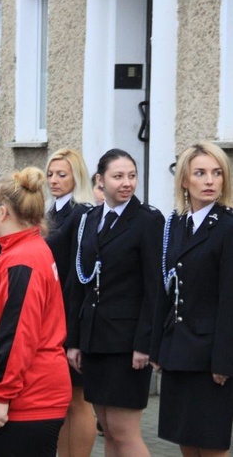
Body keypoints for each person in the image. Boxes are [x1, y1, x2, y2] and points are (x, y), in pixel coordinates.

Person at [66, 149, 163, 457]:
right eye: (118, 176)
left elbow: (154, 288)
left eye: (131, 176)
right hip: (96, 340)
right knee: (107, 430)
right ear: (100, 180)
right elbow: (79, 283)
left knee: (125, 432)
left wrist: (145, 343)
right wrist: (76, 340)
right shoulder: (91, 218)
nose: (126, 183)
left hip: (127, 343)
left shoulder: (148, 220)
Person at [0, 167, 71, 456]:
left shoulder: (22, 259)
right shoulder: (22, 251)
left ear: (2, 212)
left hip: (27, 399)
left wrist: (1, 396)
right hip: (27, 394)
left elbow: (18, 334)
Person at [150, 143, 233, 456]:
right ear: (185, 180)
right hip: (178, 350)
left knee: (211, 445)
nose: (210, 180)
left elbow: (229, 299)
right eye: (200, 173)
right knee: (185, 441)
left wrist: (224, 361)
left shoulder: (227, 227)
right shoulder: (178, 225)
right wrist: (157, 346)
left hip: (210, 356)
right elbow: (165, 289)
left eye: (216, 173)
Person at [43, 149, 96, 457]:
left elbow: (78, 270)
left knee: (78, 399)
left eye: (62, 174)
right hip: (52, 313)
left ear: (76, 176)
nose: (54, 180)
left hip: (70, 313)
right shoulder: (52, 212)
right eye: (51, 174)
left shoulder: (81, 213)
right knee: (61, 399)